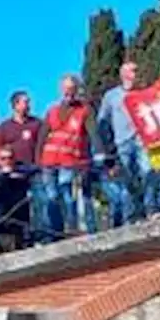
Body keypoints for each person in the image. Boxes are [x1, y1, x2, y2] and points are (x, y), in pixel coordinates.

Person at [38, 74, 106, 236]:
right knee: (51, 198)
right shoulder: (52, 110)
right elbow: (42, 136)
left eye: (71, 89)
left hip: (70, 161)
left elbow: (93, 133)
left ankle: (72, 227)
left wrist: (99, 152)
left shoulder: (84, 111)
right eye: (65, 89)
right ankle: (56, 232)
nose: (68, 92)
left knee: (68, 195)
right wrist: (38, 159)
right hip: (49, 161)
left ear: (76, 90)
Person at [98, 62, 160, 221]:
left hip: (142, 140)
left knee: (148, 171)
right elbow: (102, 121)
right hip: (122, 143)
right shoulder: (111, 96)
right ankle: (132, 214)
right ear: (124, 74)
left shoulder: (143, 92)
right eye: (133, 70)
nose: (136, 72)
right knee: (127, 180)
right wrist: (108, 147)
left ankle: (151, 208)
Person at [0, 91, 44, 244]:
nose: (28, 105)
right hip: (14, 172)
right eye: (25, 102)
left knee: (39, 201)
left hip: (34, 169)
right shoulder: (5, 127)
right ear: (15, 105)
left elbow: (43, 143)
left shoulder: (37, 123)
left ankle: (40, 234)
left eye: (29, 102)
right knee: (18, 206)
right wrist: (4, 168)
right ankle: (23, 238)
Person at [0, 146, 34, 253]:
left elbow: (34, 170)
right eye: (3, 158)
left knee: (26, 235)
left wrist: (16, 175)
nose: (7, 161)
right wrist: (4, 175)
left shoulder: (21, 169)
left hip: (19, 214)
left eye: (10, 158)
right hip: (1, 215)